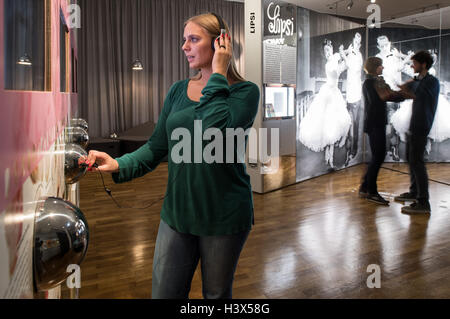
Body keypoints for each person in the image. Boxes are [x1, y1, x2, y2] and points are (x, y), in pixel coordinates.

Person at [86, 13, 260, 298]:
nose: (184, 47)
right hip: (177, 214)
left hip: (224, 217)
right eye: (184, 40)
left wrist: (217, 73)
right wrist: (118, 163)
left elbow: (212, 127)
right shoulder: (178, 91)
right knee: (165, 293)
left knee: (216, 296)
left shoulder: (245, 93)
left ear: (220, 44)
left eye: (193, 39)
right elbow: (157, 146)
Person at [394, 51, 440, 214]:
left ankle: (423, 202)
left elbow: (413, 93)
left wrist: (407, 85)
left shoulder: (431, 82)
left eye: (414, 63)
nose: (412, 66)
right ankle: (414, 193)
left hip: (422, 125)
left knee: (417, 162)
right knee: (411, 159)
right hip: (415, 125)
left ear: (424, 65)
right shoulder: (420, 80)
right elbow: (404, 90)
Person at [359, 57, 407, 205]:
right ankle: (371, 191)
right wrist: (402, 94)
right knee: (378, 156)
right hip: (375, 123)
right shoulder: (371, 82)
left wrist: (401, 95)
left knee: (377, 156)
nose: (383, 68)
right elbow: (384, 96)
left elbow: (389, 94)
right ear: (374, 67)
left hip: (375, 122)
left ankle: (365, 187)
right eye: (380, 66)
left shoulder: (374, 81)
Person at [299, 39, 351, 168]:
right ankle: (328, 158)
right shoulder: (330, 63)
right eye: (325, 51)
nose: (327, 53)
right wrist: (342, 59)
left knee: (333, 126)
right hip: (328, 93)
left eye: (328, 50)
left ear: (331, 50)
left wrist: (346, 53)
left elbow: (341, 60)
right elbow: (336, 70)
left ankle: (330, 158)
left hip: (334, 93)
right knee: (327, 125)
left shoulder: (334, 58)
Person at [376, 36, 415, 161]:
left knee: (398, 124)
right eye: (381, 46)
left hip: (398, 96)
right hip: (386, 97)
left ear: (389, 43)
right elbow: (390, 71)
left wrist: (409, 61)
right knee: (388, 126)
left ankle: (394, 149)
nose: (384, 47)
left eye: (385, 44)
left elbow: (407, 69)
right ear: (378, 47)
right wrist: (405, 59)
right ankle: (390, 149)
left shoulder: (395, 56)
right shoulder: (378, 59)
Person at [339, 33, 363, 166]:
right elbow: (342, 68)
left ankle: (353, 152)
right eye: (356, 42)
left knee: (354, 125)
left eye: (359, 42)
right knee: (349, 125)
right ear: (353, 42)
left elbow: (353, 69)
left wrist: (344, 54)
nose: (357, 44)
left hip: (356, 96)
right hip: (349, 96)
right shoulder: (350, 54)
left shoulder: (358, 56)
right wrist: (342, 55)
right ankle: (349, 152)